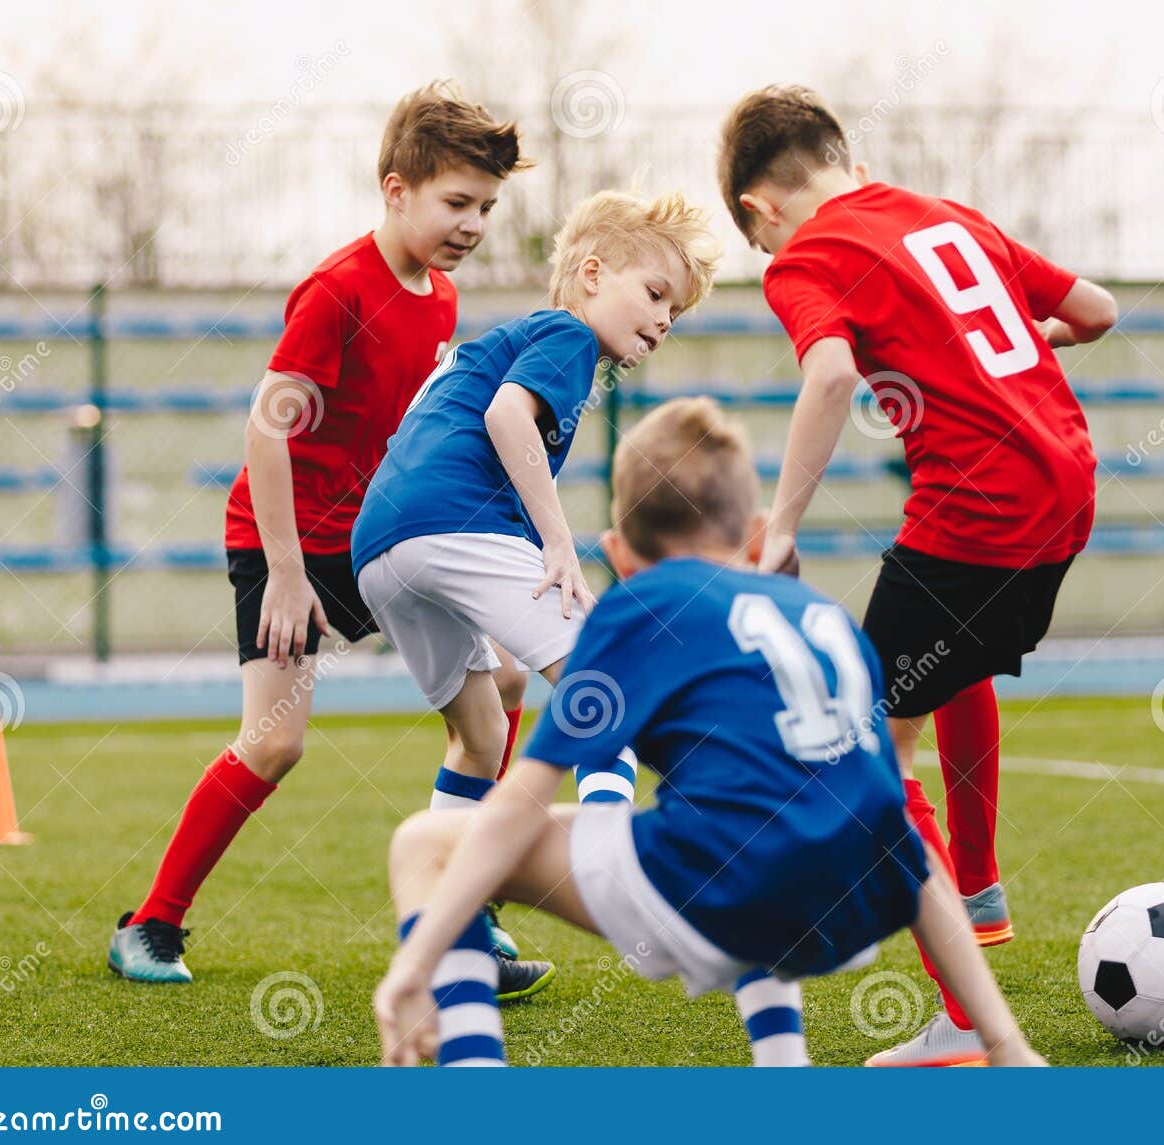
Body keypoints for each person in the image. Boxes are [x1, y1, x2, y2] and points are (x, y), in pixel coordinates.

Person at [372, 397, 1047, 1068]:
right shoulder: (827, 618)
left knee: (426, 844)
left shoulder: (640, 608)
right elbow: (894, 826)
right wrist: (1003, 1038)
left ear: (617, 554)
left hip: (726, 890)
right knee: (771, 815)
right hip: (853, 905)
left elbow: (521, 799)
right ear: (757, 538)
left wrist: (420, 955)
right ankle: (794, 1066)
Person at [715, 84, 1117, 1063]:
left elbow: (830, 375)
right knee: (938, 663)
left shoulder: (808, 253)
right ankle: (973, 885)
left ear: (761, 211)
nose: (774, 262)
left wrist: (781, 529)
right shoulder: (945, 216)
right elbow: (1095, 312)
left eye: (760, 245)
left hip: (982, 508)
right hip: (1066, 484)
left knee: (855, 734)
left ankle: (967, 1022)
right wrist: (989, 365)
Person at [108, 82, 533, 986]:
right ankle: (150, 925)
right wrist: (289, 575)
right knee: (274, 741)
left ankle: (461, 912)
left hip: (378, 537)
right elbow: (268, 432)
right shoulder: (337, 291)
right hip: (285, 540)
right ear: (395, 189)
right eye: (457, 202)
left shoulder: (443, 299)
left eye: (487, 207)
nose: (473, 223)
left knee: (501, 688)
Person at [349, 188, 720, 1000]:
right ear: (590, 273)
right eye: (655, 294)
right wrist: (557, 542)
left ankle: (461, 935)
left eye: (676, 311)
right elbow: (507, 420)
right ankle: (623, 880)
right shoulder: (565, 335)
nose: (662, 320)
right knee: (605, 684)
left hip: (382, 547)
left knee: (485, 729)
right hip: (448, 523)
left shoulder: (512, 337)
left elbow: (435, 427)